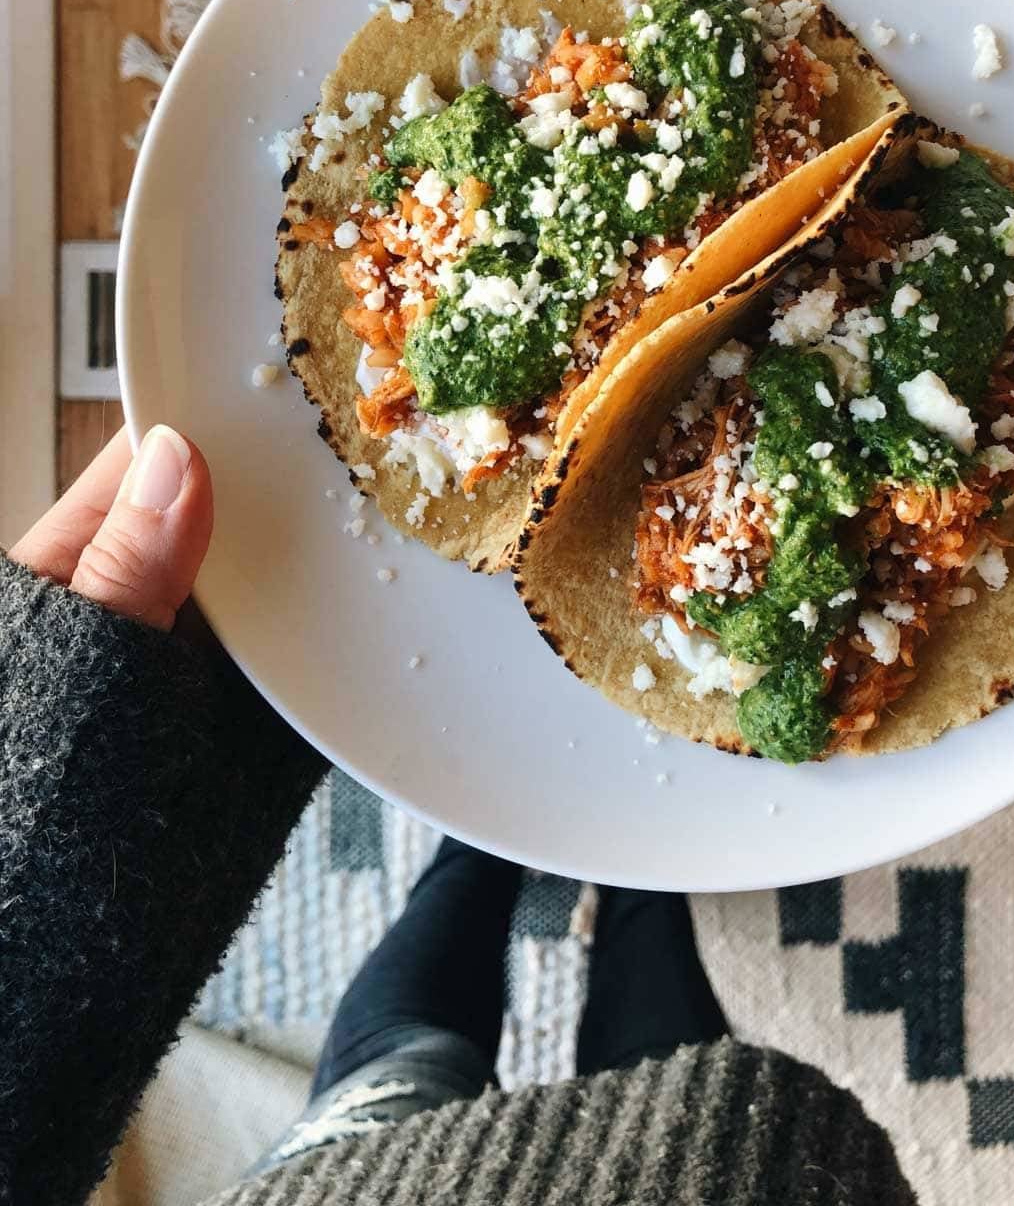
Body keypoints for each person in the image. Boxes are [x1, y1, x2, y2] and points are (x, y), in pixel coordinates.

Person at [1, 425, 915, 1206]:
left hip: (370, 1161)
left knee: (432, 987)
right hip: (706, 1163)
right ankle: (627, 863)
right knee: (657, 1017)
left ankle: (495, 834)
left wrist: (30, 941)